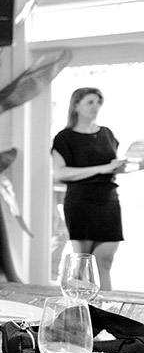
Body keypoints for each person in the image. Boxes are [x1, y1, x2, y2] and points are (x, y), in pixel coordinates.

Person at [51, 87, 127, 291]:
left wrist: (120, 167)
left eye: (98, 102)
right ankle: (80, 313)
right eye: (90, 102)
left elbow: (111, 169)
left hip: (109, 201)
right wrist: (102, 168)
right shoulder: (64, 137)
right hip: (80, 202)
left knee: (105, 261)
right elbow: (61, 173)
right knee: (82, 266)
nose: (96, 106)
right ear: (76, 106)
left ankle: (105, 315)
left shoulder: (107, 133)